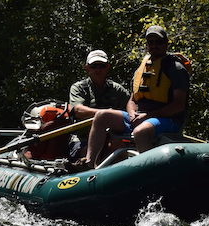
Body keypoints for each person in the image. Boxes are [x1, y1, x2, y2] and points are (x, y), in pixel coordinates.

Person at [81, 25, 190, 166]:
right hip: (141, 117)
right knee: (102, 116)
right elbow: (132, 99)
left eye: (159, 42)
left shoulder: (176, 68)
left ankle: (149, 172)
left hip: (168, 120)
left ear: (166, 43)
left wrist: (148, 116)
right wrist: (132, 114)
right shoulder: (145, 66)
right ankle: (89, 164)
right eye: (151, 42)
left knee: (141, 132)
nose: (154, 45)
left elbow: (178, 105)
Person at [69, 49, 130, 119]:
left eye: (102, 66)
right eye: (94, 66)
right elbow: (78, 111)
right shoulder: (78, 88)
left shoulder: (117, 89)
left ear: (107, 67)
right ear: (87, 68)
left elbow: (132, 105)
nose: (98, 70)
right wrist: (107, 113)